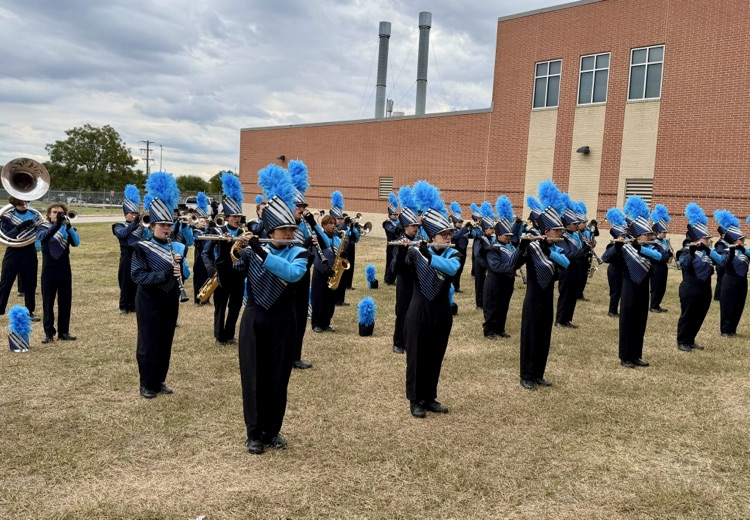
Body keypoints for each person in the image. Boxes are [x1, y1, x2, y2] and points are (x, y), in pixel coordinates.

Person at [238, 166, 310, 454]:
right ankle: (254, 433)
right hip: (255, 318)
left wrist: (260, 251)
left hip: (284, 320)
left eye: (292, 229)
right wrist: (224, 257)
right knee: (254, 377)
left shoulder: (299, 251)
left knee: (279, 377)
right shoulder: (252, 249)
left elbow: (293, 274)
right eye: (284, 230)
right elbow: (233, 274)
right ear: (270, 230)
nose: (290, 234)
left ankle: (272, 431)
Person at [395, 181, 460, 418]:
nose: (448, 237)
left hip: (441, 312)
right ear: (433, 235)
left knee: (435, 355)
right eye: (444, 234)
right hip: (418, 312)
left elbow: (452, 269)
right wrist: (403, 251)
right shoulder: (415, 251)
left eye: (450, 233)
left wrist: (427, 256)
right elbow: (398, 272)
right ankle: (415, 400)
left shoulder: (453, 253)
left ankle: (430, 396)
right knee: (416, 357)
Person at [131, 173, 190, 398]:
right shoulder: (141, 247)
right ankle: (146, 382)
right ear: (152, 226)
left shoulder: (178, 246)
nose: (167, 229)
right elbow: (137, 276)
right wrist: (165, 272)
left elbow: (186, 274)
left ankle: (160, 380)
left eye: (169, 225)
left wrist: (181, 266)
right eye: (162, 225)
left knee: (166, 339)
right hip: (148, 299)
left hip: (170, 297)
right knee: (148, 340)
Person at [519, 201, 569, 390]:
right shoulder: (533, 247)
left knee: (543, 336)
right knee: (530, 336)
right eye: (557, 230)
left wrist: (549, 249)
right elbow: (513, 264)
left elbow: (565, 264)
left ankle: (539, 373)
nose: (560, 234)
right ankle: (526, 375)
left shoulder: (555, 248)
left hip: (548, 298)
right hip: (533, 298)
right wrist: (522, 246)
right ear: (547, 231)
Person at [288, 159, 331, 369]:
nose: (302, 210)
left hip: (304, 275)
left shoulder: (305, 225)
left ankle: (295, 355)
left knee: (299, 316)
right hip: (286, 277)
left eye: (304, 206)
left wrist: (313, 223)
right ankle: (284, 355)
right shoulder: (282, 227)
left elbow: (327, 243)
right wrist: (305, 244)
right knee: (287, 318)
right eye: (299, 206)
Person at [608, 212, 662, 368]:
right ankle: (625, 356)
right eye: (647, 234)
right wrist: (617, 245)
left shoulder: (649, 248)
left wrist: (641, 248)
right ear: (638, 236)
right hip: (629, 289)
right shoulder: (625, 249)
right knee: (627, 322)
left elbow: (660, 256)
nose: (651, 237)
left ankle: (636, 354)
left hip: (643, 289)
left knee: (640, 321)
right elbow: (607, 257)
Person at [202, 173, 247, 346]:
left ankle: (229, 334)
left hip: (238, 274)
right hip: (222, 274)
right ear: (226, 217)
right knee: (220, 306)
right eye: (233, 215)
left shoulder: (244, 234)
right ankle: (219, 336)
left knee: (235, 306)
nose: (237, 218)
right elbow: (206, 253)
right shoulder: (217, 232)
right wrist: (210, 269)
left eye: (239, 215)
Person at [676, 203, 720, 352]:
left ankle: (691, 339)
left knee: (700, 315)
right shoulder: (685, 250)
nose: (708, 240)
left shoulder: (708, 251)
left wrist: (708, 251)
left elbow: (720, 261)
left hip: (705, 287)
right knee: (688, 315)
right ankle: (682, 341)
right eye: (706, 238)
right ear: (698, 239)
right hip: (690, 287)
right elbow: (684, 265)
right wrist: (693, 251)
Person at [36, 203, 80, 344]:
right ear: (49, 214)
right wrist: (57, 225)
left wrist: (68, 226)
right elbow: (44, 238)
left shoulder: (66, 228)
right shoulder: (43, 227)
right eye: (54, 212)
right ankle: (49, 333)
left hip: (64, 269)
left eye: (60, 213)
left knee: (65, 302)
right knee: (48, 302)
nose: (56, 215)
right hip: (49, 270)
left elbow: (76, 243)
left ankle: (64, 332)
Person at [483, 196, 524, 340]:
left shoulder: (511, 246)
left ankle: (500, 328)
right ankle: (489, 330)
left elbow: (516, 263)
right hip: (495, 281)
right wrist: (512, 264)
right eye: (507, 235)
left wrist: (523, 256)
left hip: (508, 280)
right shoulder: (492, 248)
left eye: (510, 235)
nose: (509, 237)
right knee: (492, 306)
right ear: (499, 234)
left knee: (504, 305)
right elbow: (496, 266)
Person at [0, 197, 42, 321]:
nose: (24, 203)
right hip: (13, 251)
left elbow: (41, 231)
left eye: (26, 200)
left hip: (29, 250)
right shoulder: (7, 216)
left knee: (30, 283)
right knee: (5, 281)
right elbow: (7, 235)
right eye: (21, 201)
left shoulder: (34, 215)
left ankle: (29, 311)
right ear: (15, 202)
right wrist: (21, 226)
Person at [390, 197, 421, 354]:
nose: (416, 228)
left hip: (416, 281)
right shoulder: (399, 242)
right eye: (413, 225)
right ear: (405, 227)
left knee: (414, 314)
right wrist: (403, 250)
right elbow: (396, 267)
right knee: (402, 312)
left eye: (416, 225)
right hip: (404, 281)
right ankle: (398, 342)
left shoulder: (418, 240)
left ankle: (410, 341)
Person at [713, 210, 747, 338]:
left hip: (742, 280)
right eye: (741, 239)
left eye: (743, 238)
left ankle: (733, 328)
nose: (743, 240)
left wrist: (743, 249)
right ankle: (725, 330)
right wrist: (733, 251)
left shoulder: (745, 250)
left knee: (739, 304)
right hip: (730, 279)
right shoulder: (726, 250)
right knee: (727, 305)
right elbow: (723, 263)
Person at [112, 185, 142, 314]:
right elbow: (123, 234)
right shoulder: (118, 225)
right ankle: (124, 306)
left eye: (136, 213)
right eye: (132, 213)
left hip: (139, 254)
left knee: (137, 280)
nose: (134, 215)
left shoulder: (142, 226)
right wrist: (135, 224)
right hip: (126, 255)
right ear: (125, 215)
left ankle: (135, 305)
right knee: (125, 280)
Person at [310, 215, 340, 333]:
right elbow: (316, 257)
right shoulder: (318, 238)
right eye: (330, 223)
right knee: (318, 298)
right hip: (321, 272)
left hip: (333, 272)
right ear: (323, 225)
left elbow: (339, 253)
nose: (333, 225)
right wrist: (325, 269)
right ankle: (316, 324)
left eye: (334, 223)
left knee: (330, 299)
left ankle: (326, 323)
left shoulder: (336, 239)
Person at [601, 209, 629, 318]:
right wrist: (617, 246)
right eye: (622, 234)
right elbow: (605, 258)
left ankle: (622, 310)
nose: (624, 236)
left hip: (624, 270)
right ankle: (612, 311)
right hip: (615, 270)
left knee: (623, 292)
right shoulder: (612, 245)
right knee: (615, 291)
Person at [649, 205, 673, 313]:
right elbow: (660, 255)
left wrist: (670, 254)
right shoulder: (654, 242)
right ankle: (653, 305)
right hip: (656, 266)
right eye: (663, 232)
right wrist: (668, 254)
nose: (665, 234)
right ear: (658, 232)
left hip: (663, 266)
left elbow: (667, 254)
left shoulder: (665, 241)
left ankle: (657, 304)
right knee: (656, 286)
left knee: (662, 287)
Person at [473, 202, 496, 309]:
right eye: (491, 228)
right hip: (479, 263)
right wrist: (484, 265)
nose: (493, 230)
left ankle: (485, 301)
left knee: (486, 284)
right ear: (485, 229)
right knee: (479, 283)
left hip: (487, 263)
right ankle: (479, 304)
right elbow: (477, 254)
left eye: (493, 228)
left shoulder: (491, 238)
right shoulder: (480, 238)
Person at [191, 192, 211, 305]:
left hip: (207, 256)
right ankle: (197, 299)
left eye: (205, 220)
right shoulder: (195, 230)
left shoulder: (207, 230)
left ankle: (206, 298)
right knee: (198, 278)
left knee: (207, 278)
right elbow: (199, 238)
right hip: (199, 258)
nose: (203, 222)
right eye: (201, 220)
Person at [382, 194, 401, 285]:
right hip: (391, 245)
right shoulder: (387, 223)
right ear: (389, 215)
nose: (396, 216)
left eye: (397, 214)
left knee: (396, 261)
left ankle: (393, 279)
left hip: (397, 244)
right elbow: (393, 231)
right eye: (394, 214)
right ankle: (387, 279)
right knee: (389, 262)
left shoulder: (398, 222)